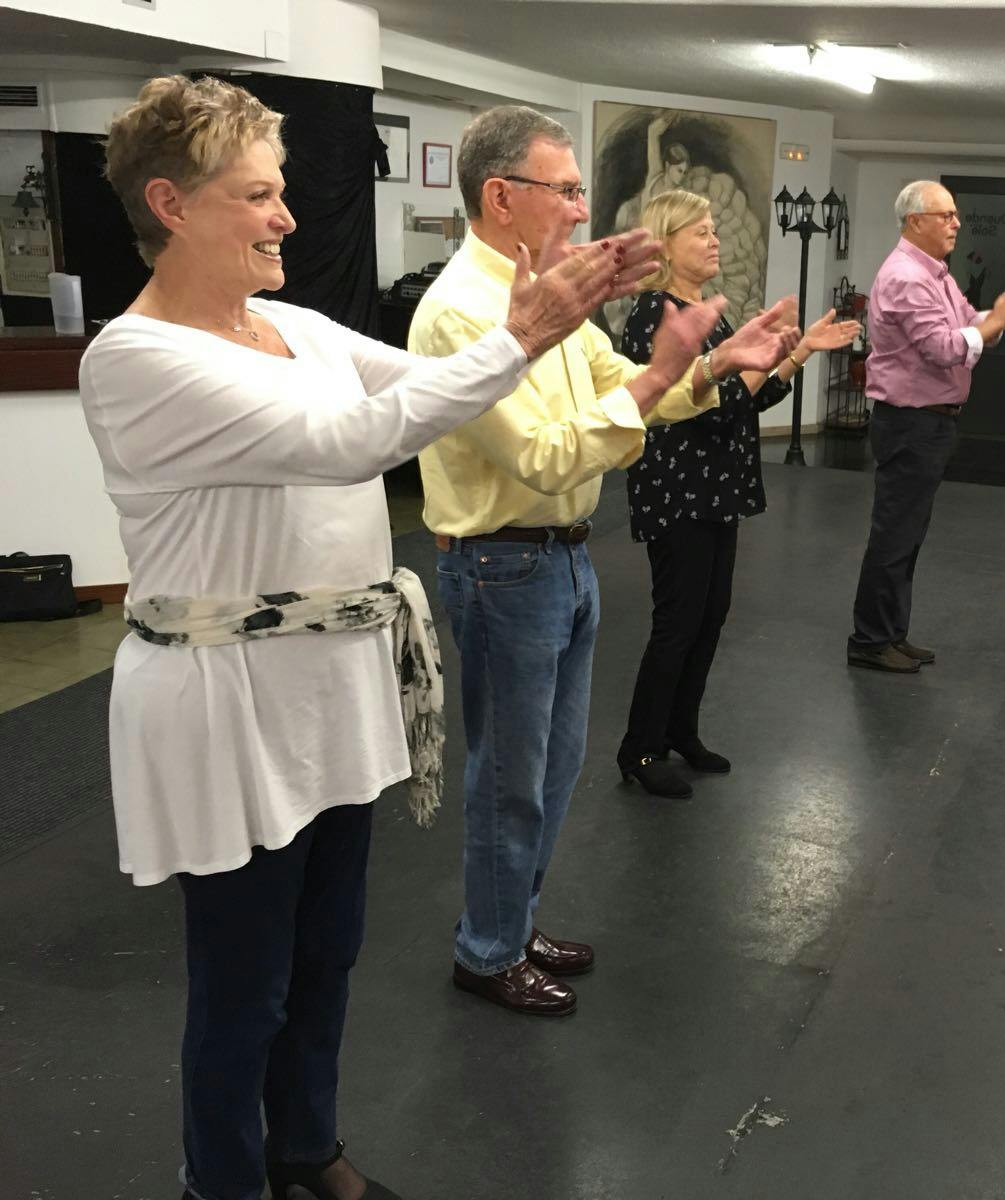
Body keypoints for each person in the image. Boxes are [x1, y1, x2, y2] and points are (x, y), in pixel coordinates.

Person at [81, 75, 660, 1200]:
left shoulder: (289, 322)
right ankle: (228, 1181)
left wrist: (542, 324)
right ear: (171, 202)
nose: (286, 216)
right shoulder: (137, 358)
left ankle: (305, 1147)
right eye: (257, 195)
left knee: (326, 955)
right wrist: (527, 331)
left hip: (330, 690)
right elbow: (354, 440)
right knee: (242, 983)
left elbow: (426, 387)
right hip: (228, 702)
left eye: (283, 191)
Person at [409, 107, 799, 1017]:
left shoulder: (548, 292)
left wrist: (705, 369)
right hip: (505, 567)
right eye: (569, 190)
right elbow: (544, 454)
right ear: (501, 197)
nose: (583, 210)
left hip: (563, 561)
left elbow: (616, 392)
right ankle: (487, 950)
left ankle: (512, 921)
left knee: (552, 769)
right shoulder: (464, 312)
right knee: (511, 777)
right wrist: (666, 375)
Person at [616, 190, 860, 798]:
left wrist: (798, 352)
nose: (714, 239)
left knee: (709, 617)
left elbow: (750, 403)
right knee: (677, 623)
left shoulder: (712, 314)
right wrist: (763, 356)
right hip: (678, 491)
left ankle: (681, 732)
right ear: (667, 244)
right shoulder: (657, 315)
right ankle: (640, 751)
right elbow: (710, 410)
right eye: (699, 232)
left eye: (714, 229)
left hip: (716, 490)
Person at [846, 180, 1005, 673]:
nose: (957, 223)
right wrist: (998, 321)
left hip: (927, 423)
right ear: (915, 221)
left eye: (955, 215)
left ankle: (892, 632)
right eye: (946, 215)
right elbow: (945, 348)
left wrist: (1000, 315)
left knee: (908, 535)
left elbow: (965, 321)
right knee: (894, 536)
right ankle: (869, 641)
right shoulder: (908, 277)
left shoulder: (935, 273)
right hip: (910, 422)